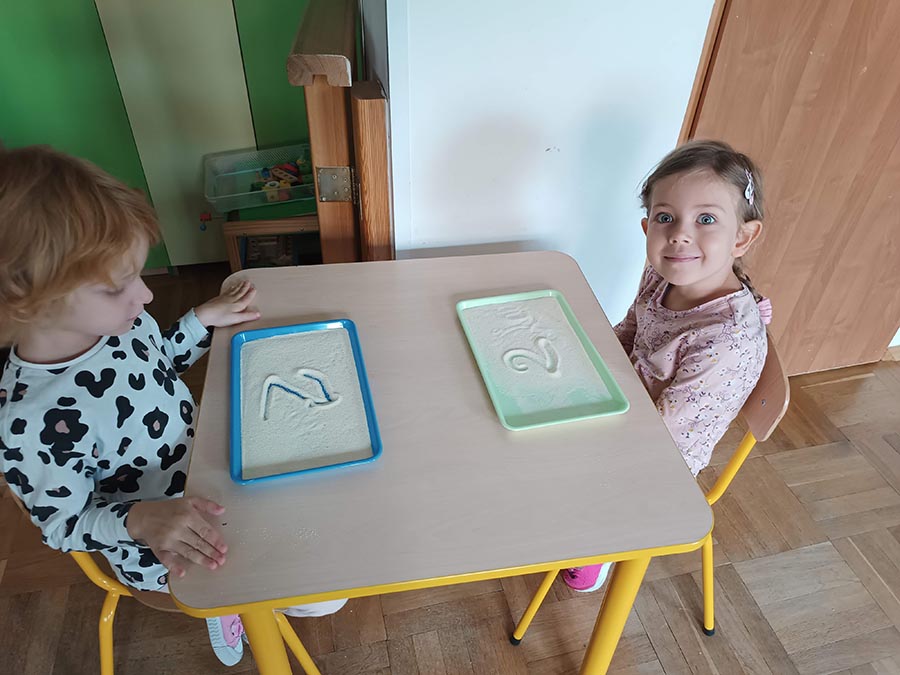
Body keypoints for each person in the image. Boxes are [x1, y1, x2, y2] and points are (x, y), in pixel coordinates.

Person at [0, 146, 345, 666]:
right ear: (30, 299)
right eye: (118, 286)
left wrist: (200, 320)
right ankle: (228, 610)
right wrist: (142, 519)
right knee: (323, 595)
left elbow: (157, 361)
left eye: (138, 274)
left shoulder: (116, 322)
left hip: (213, 466)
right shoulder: (30, 424)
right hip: (167, 544)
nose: (145, 296)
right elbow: (63, 525)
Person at [564, 140, 771, 593]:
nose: (679, 234)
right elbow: (631, 329)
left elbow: (665, 439)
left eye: (706, 219)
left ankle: (604, 542)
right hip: (627, 405)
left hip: (659, 458)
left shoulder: (727, 338)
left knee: (544, 474)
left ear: (742, 237)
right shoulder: (664, 273)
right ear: (647, 227)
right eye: (665, 218)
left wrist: (587, 430)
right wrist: (586, 369)